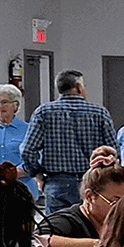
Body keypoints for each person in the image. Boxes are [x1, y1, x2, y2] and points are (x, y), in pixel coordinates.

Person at [21, 70, 115, 214]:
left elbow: (27, 150)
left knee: (58, 229)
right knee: (91, 229)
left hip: (57, 182)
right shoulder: (99, 113)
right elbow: (112, 152)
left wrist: (38, 175)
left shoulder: (43, 112)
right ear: (79, 87)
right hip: (93, 182)